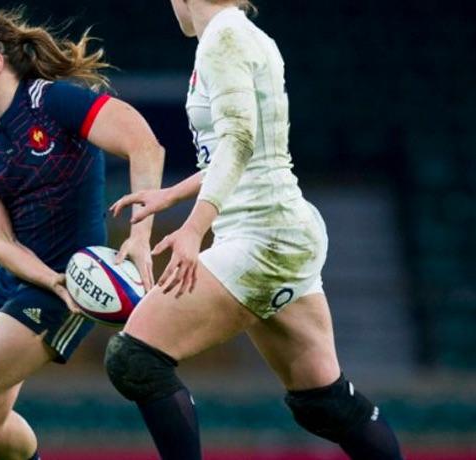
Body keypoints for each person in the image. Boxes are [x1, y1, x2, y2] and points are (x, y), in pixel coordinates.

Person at [104, 1, 404, 459]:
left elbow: (239, 143)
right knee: (323, 403)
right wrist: (172, 194)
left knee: (136, 358)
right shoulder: (241, 35)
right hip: (280, 231)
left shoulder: (223, 40)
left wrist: (191, 229)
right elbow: (244, 149)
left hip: (262, 236)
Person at [0, 9, 164, 460]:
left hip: (74, 282)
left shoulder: (55, 103)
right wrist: (46, 278)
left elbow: (144, 145)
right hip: (22, 280)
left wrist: (139, 236)